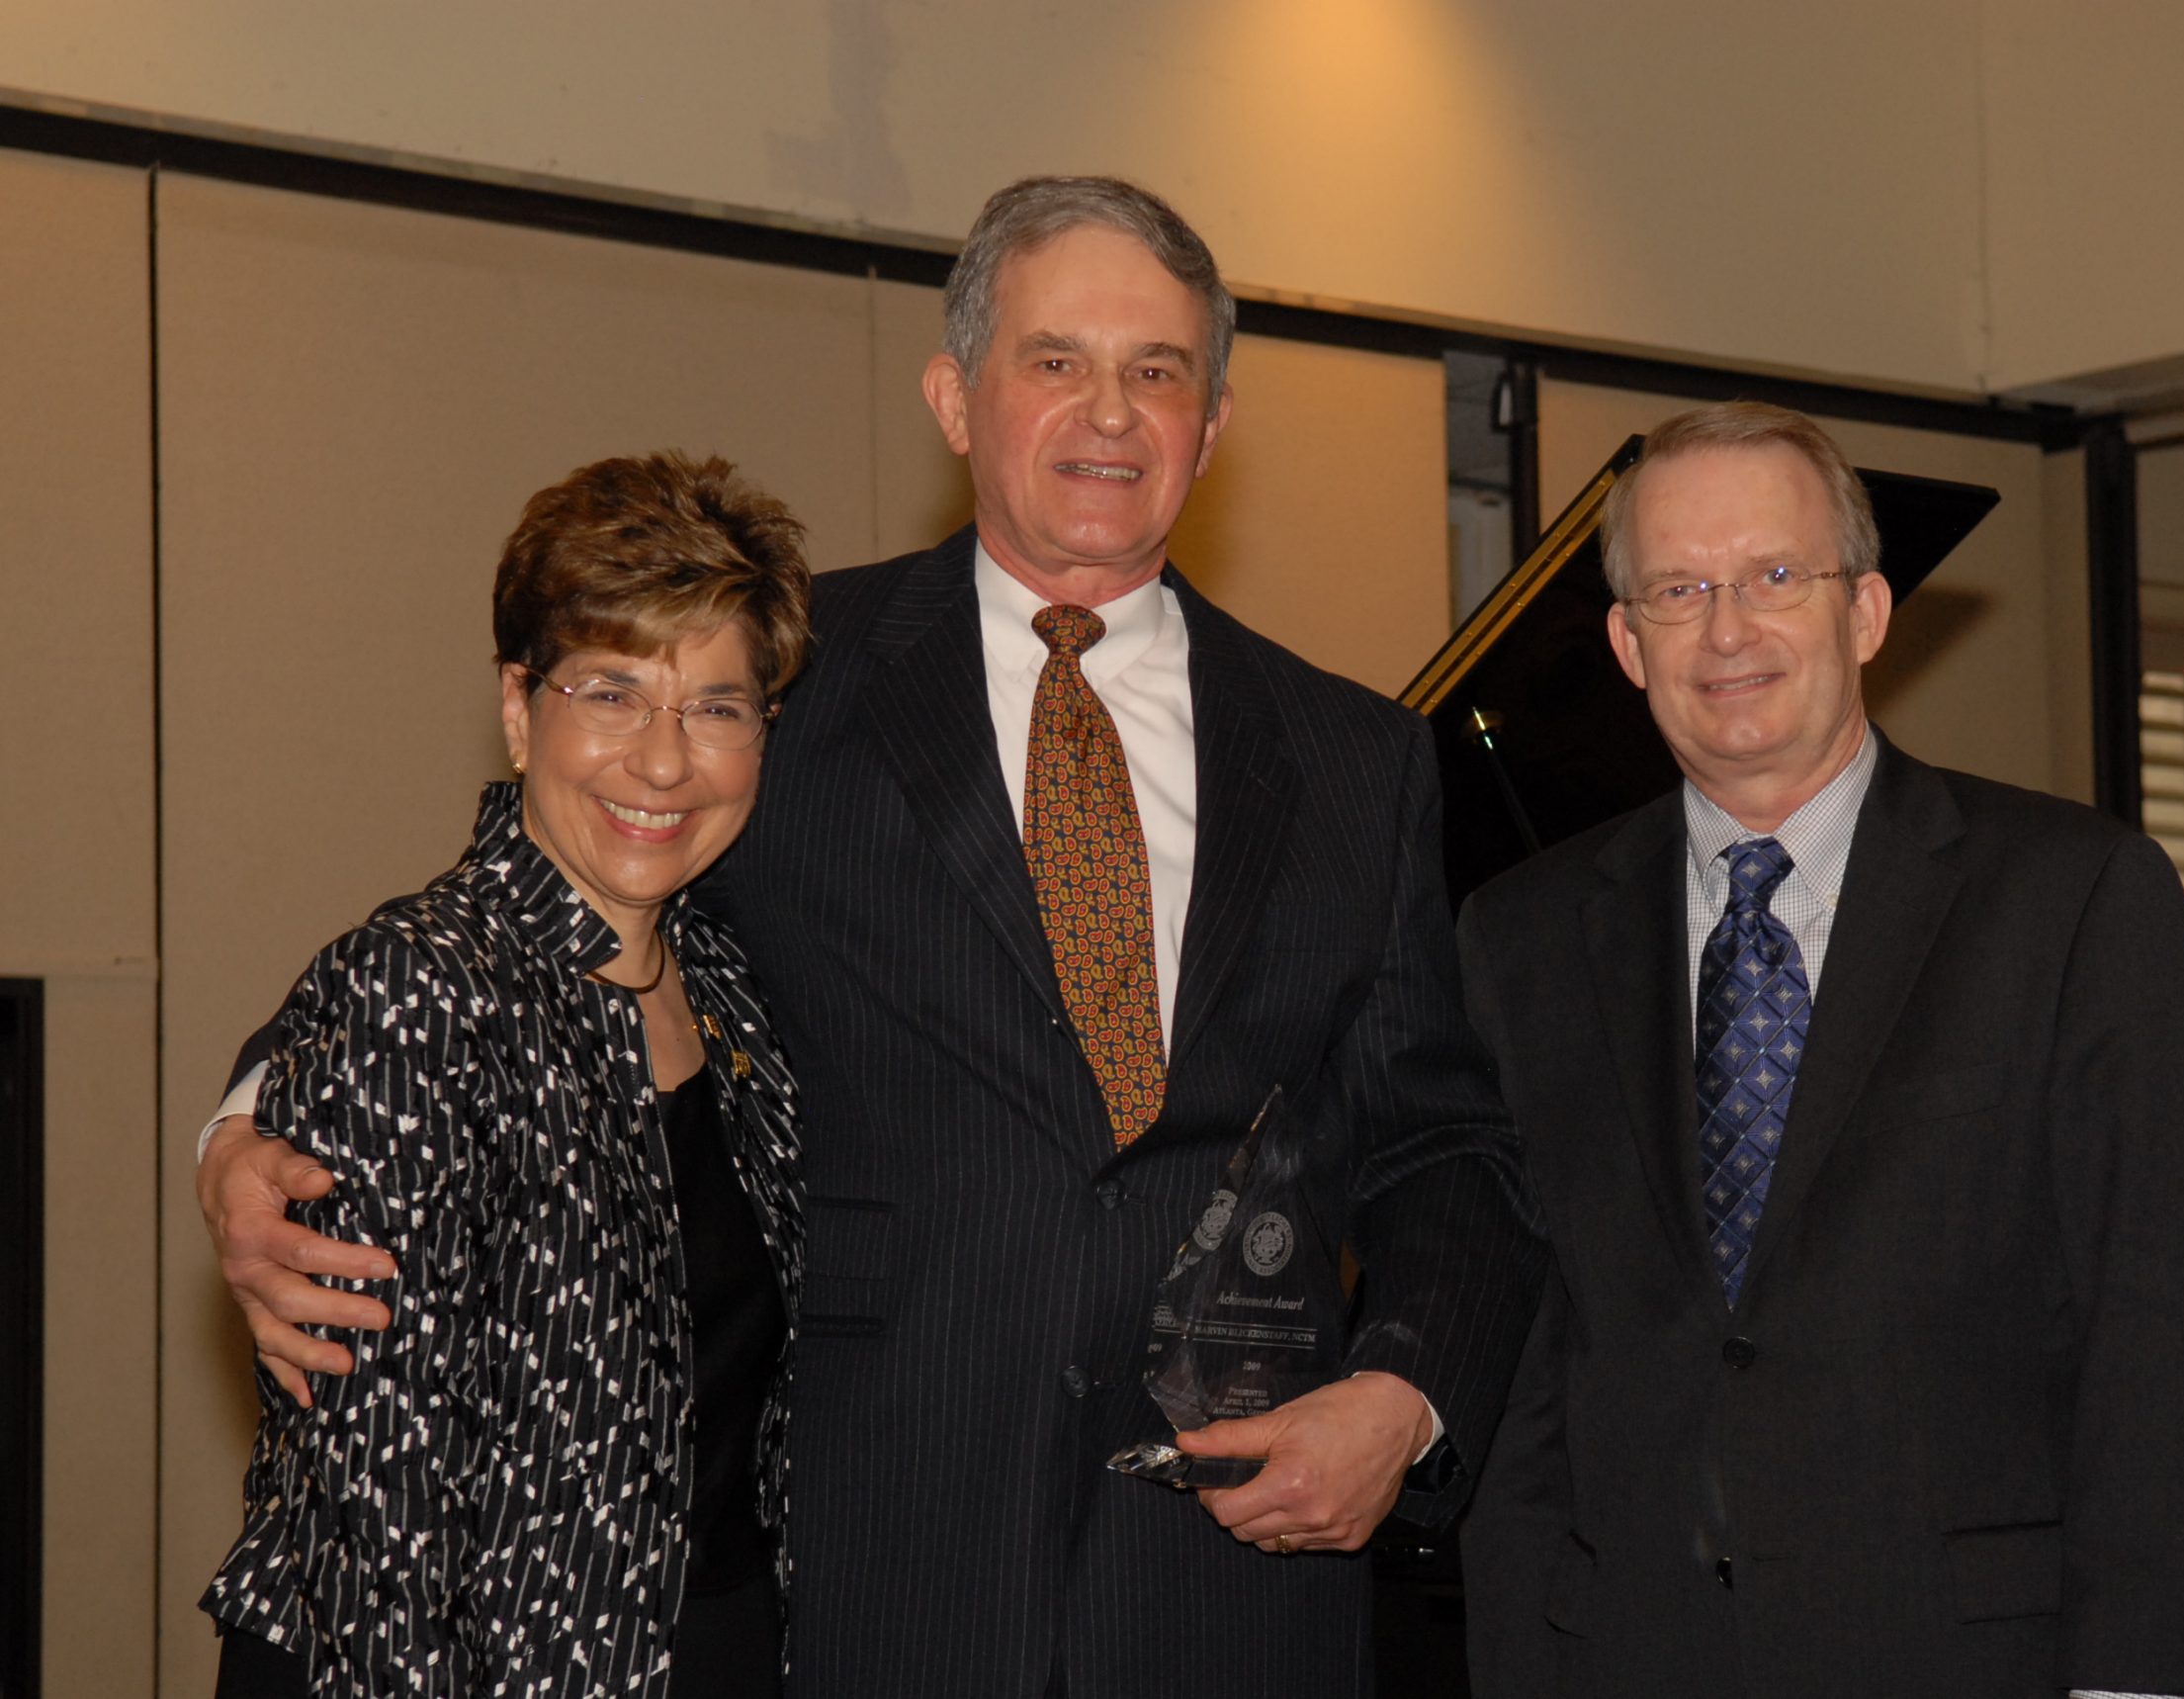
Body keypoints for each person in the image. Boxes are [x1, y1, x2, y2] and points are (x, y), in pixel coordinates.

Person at [197, 177, 1546, 1696]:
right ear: (955, 397)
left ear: (1213, 421)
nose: (1110, 411)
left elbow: (1446, 1146)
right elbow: (529, 897)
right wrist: (253, 1125)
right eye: (1054, 359)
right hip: (865, 1573)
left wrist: (1403, 1392)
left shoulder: (1359, 758)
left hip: (1227, 1593)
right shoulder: (776, 682)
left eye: (1156, 370)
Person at [1453, 402, 2184, 1699]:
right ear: (1625, 641)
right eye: (1679, 588)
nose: (1728, 629)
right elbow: (1525, 1369)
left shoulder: (2073, 897)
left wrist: (2146, 1680)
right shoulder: (1518, 940)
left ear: (1868, 612)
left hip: (1977, 1656)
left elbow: (2168, 1336)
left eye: (1777, 575)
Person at [197, 453, 813, 1696]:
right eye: (613, 692)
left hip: (714, 1644)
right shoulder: (419, 990)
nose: (661, 761)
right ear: (522, 706)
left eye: (715, 706)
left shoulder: (731, 978)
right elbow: (381, 1518)